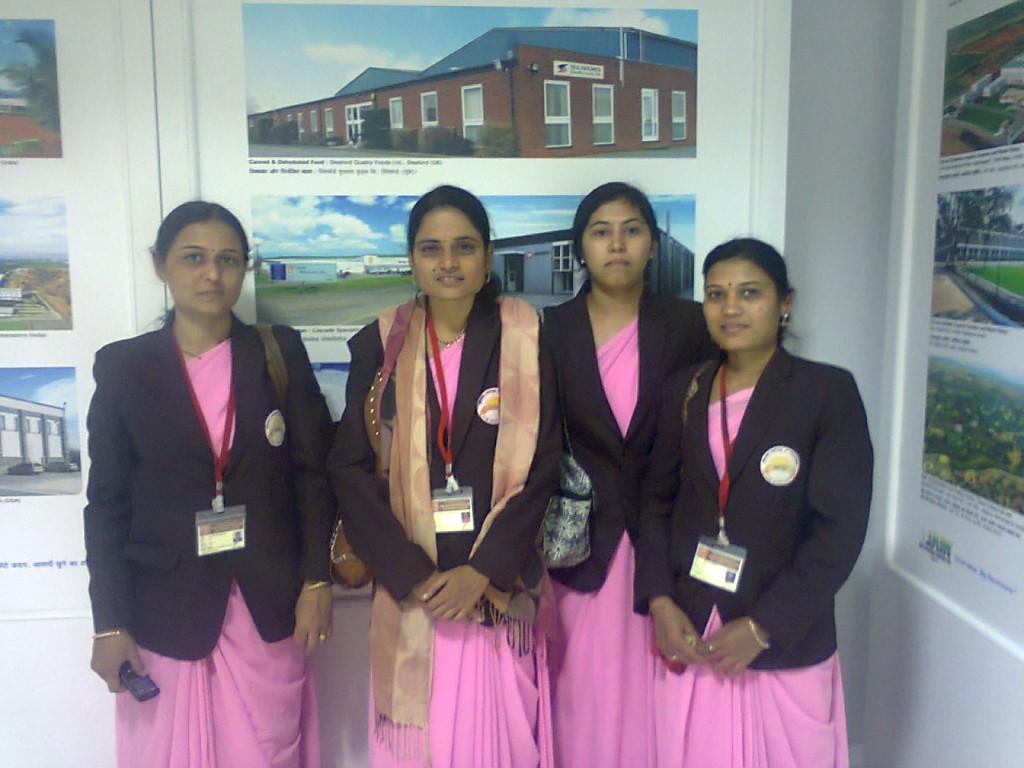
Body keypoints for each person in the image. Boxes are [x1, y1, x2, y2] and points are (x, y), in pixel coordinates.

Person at [84, 201, 335, 768]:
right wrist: (109, 624)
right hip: (163, 609)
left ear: (245, 267)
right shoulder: (124, 368)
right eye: (193, 258)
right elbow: (106, 506)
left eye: (228, 259)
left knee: (268, 750)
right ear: (161, 265)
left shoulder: (278, 352)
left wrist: (317, 581)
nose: (212, 274)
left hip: (267, 607)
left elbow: (312, 476)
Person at [328, 185, 560, 767]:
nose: (448, 262)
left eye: (464, 246)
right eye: (431, 248)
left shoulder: (528, 336)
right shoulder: (380, 344)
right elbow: (349, 469)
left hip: (496, 590)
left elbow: (544, 464)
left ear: (488, 256)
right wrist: (411, 574)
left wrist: (482, 571)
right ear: (412, 259)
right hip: (414, 592)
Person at [636, 237, 873, 767]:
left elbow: (839, 530)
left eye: (749, 293)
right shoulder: (685, 389)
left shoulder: (825, 392)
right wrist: (659, 601)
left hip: (782, 637)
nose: (731, 308)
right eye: (716, 294)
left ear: (785, 302)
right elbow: (655, 501)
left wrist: (764, 627)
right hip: (695, 628)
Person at [541, 182, 714, 767]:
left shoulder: (691, 326)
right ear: (580, 248)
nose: (617, 244)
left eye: (632, 230)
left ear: (653, 245)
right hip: (581, 549)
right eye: (601, 232)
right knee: (580, 700)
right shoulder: (549, 330)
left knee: (661, 698)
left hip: (663, 543)